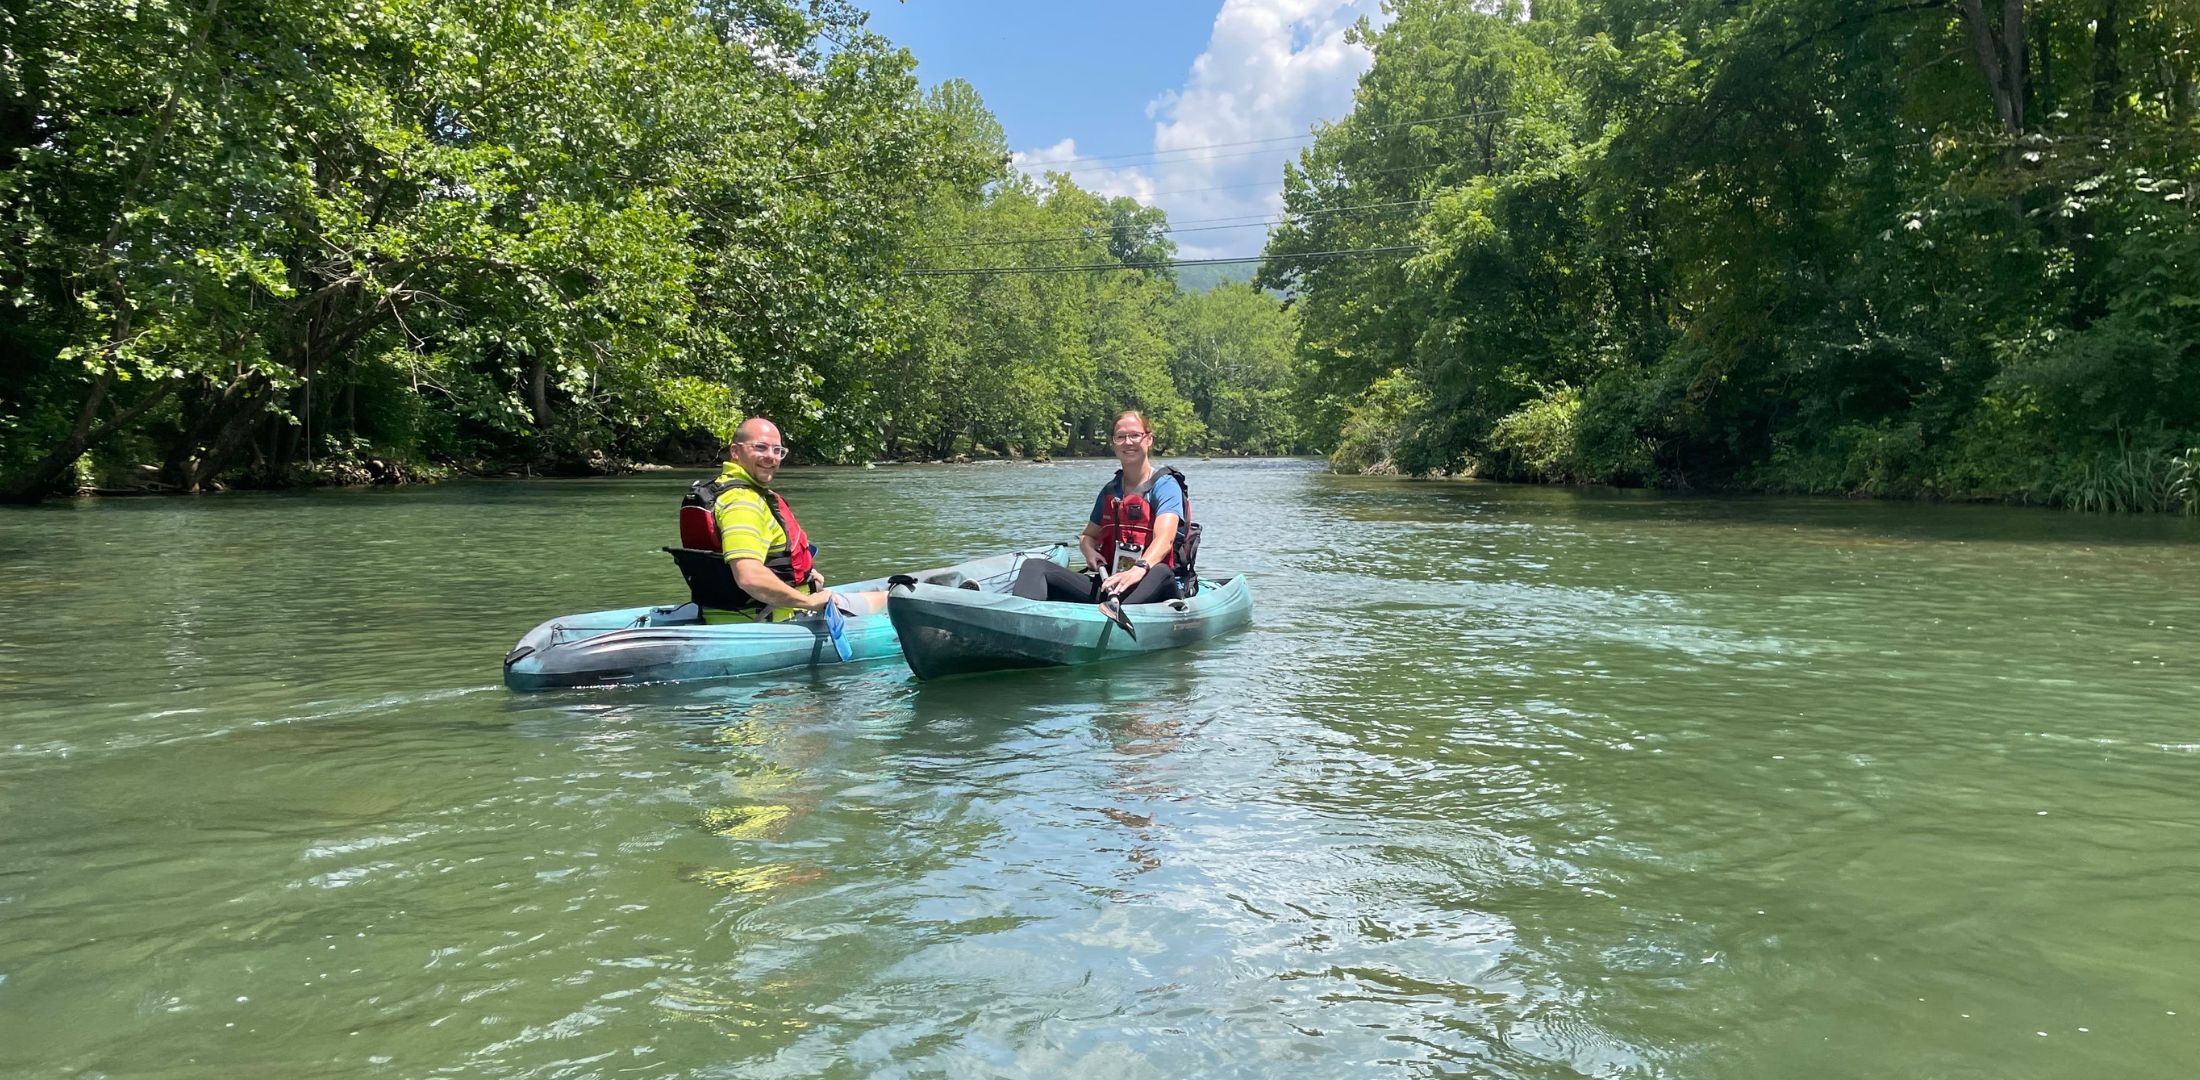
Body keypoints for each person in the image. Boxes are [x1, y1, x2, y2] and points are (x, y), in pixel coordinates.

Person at [1013, 410, 1192, 606]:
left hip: (1154, 584)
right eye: (1120, 437)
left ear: (1148, 440)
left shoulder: (1165, 486)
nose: (1128, 442)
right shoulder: (1111, 490)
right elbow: (1087, 536)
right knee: (1034, 566)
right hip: (1111, 584)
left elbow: (1165, 539)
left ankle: (1116, 613)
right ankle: (1019, 619)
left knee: (1160, 571)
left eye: (1135, 435)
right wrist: (1089, 550)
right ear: (1113, 443)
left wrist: (1138, 569)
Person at [689, 417, 837, 620]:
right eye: (761, 447)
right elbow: (749, 577)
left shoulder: (721, 490)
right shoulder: (742, 503)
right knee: (886, 595)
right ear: (735, 451)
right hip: (770, 619)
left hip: (724, 614)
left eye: (777, 451)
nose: (771, 457)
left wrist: (807, 578)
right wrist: (809, 601)